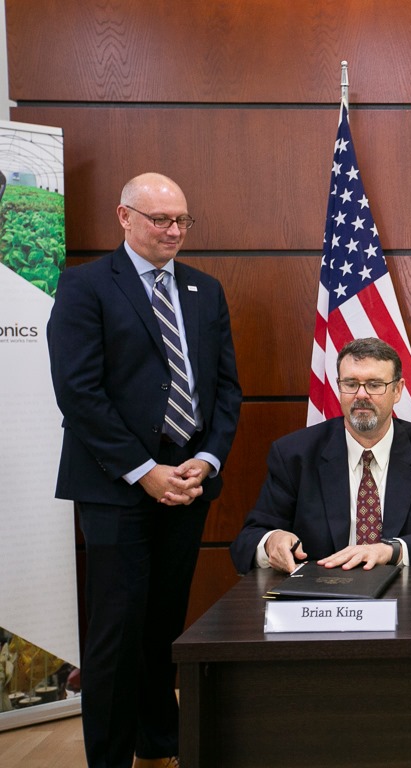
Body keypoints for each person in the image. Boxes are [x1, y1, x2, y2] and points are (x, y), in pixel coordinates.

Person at [47, 173, 241, 768]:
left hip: (188, 487)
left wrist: (205, 460)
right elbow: (78, 394)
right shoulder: (84, 287)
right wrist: (143, 470)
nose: (174, 231)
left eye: (182, 219)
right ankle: (108, 759)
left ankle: (158, 745)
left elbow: (225, 390)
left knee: (165, 625)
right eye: (161, 220)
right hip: (115, 486)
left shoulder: (205, 289)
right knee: (116, 632)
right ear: (124, 217)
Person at [230, 337, 411, 574]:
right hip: (322, 595)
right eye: (351, 384)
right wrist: (271, 541)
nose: (361, 395)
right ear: (339, 387)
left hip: (408, 596)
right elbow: (247, 541)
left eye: (374, 385)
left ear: (397, 391)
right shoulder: (295, 454)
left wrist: (391, 551)